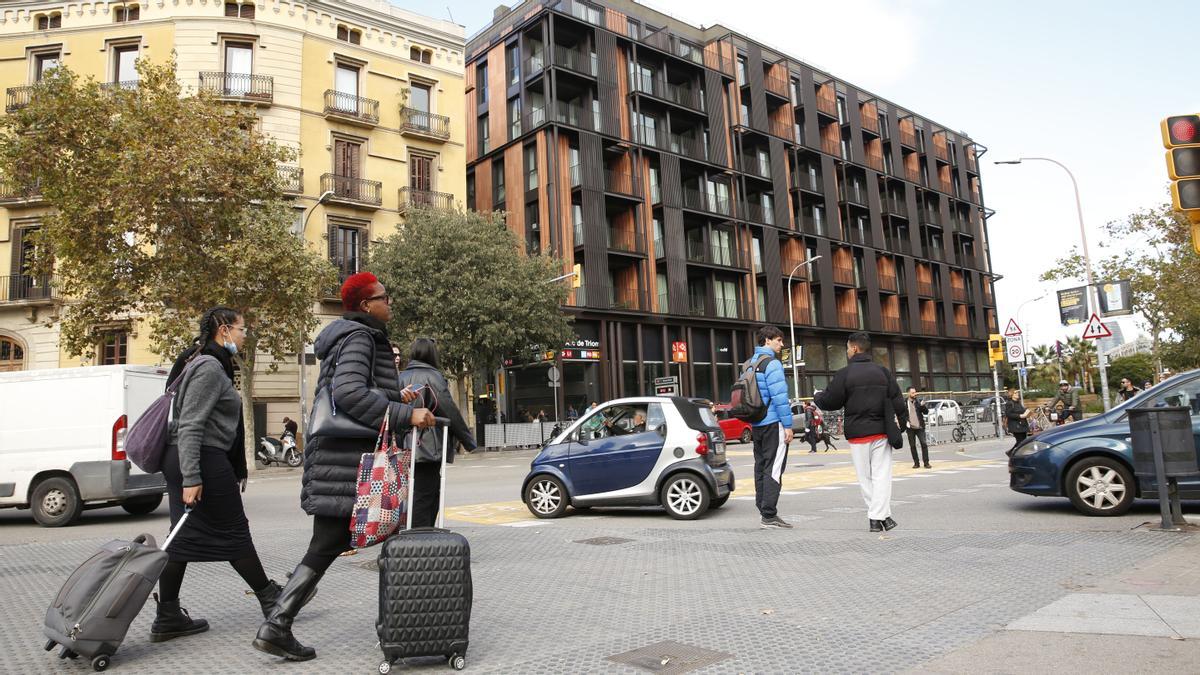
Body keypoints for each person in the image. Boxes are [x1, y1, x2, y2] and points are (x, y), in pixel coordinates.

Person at [253, 272, 434, 662]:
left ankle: (279, 625)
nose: (391, 303)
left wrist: (392, 393)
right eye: (386, 297)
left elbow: (352, 387)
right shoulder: (360, 337)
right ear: (367, 305)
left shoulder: (352, 337)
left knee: (329, 543)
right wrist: (406, 414)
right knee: (331, 543)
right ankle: (278, 625)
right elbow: (348, 393)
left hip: (339, 460)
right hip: (344, 462)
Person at [154, 307, 280, 643]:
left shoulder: (202, 361)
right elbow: (192, 424)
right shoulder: (209, 367)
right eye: (241, 330)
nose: (244, 336)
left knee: (179, 539)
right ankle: (272, 601)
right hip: (202, 459)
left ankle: (167, 615)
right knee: (234, 532)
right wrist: (193, 476)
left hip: (189, 457)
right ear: (224, 330)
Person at [815, 332, 906, 534]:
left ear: (854, 348)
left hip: (857, 435)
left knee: (865, 478)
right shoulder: (883, 372)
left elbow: (831, 401)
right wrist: (903, 423)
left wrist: (817, 396)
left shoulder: (845, 374)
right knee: (882, 476)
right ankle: (883, 517)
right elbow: (898, 399)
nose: (847, 351)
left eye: (848, 348)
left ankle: (876, 518)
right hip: (881, 432)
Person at [397, 337, 478, 527]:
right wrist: (468, 441)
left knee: (414, 492)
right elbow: (448, 409)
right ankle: (420, 536)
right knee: (427, 493)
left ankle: (413, 531)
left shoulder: (400, 377)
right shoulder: (433, 377)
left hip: (404, 443)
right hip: (428, 445)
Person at [746, 325, 794, 529]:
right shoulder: (772, 364)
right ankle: (769, 514)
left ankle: (762, 507)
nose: (781, 344)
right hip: (773, 423)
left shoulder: (749, 363)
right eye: (778, 340)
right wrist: (789, 425)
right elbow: (780, 398)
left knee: (760, 465)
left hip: (756, 423)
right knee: (774, 468)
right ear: (767, 340)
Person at [904, 387, 930, 469]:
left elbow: (926, 412)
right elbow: (901, 414)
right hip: (910, 428)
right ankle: (916, 463)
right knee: (912, 446)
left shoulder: (918, 401)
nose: (914, 394)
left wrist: (923, 406)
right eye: (912, 393)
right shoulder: (904, 402)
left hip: (920, 427)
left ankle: (926, 463)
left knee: (924, 444)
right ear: (908, 393)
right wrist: (904, 422)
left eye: (915, 392)